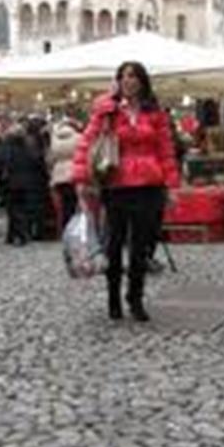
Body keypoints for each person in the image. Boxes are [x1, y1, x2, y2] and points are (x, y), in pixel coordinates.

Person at [72, 61, 180, 322]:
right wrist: (81, 178)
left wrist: (172, 185)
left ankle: (135, 297)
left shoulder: (155, 112)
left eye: (133, 76)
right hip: (116, 184)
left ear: (142, 81)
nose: (128, 81)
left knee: (140, 247)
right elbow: (87, 143)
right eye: (123, 76)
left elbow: (165, 150)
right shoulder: (106, 110)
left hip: (148, 186)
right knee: (114, 245)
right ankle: (113, 298)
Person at [0, 123, 48, 246]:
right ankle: (14, 235)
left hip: (10, 183)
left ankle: (20, 234)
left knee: (13, 209)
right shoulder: (28, 147)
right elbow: (37, 162)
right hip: (27, 183)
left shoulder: (5, 147)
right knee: (22, 209)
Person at [49, 113, 82, 232]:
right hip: (73, 172)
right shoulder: (78, 137)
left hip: (58, 174)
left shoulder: (55, 139)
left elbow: (51, 158)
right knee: (73, 202)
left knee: (61, 204)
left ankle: (63, 226)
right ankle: (73, 227)